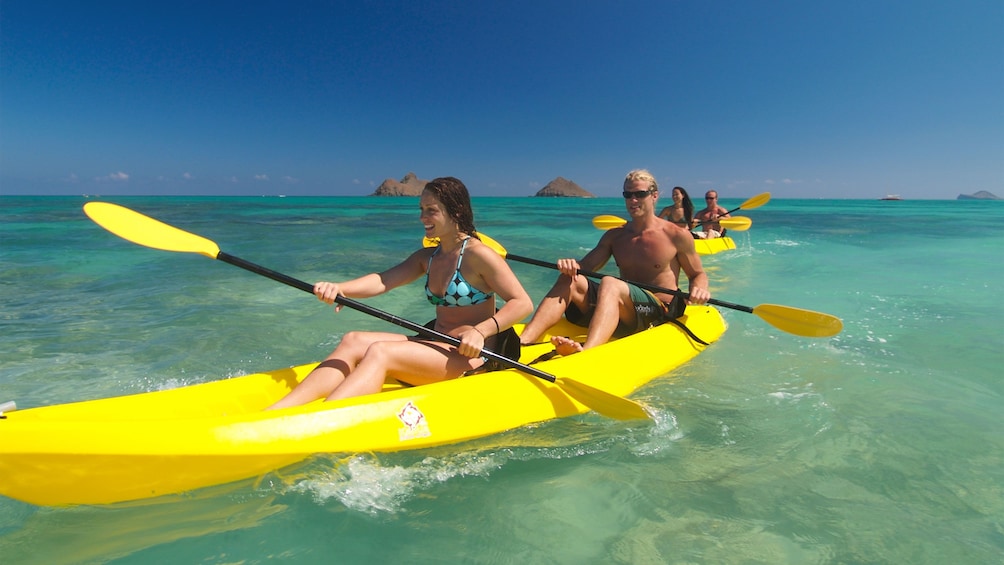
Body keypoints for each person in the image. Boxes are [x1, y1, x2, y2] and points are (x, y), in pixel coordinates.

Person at [268, 177, 533, 409]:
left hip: (467, 358)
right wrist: (340, 289)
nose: (422, 218)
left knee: (381, 352)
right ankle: (280, 411)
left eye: (431, 210)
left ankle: (322, 418)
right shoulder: (428, 257)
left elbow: (522, 303)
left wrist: (480, 331)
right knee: (353, 339)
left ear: (457, 211)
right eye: (421, 210)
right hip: (435, 344)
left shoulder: (479, 255)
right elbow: (383, 281)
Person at [519, 169, 711, 357]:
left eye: (639, 194)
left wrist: (700, 289)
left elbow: (697, 274)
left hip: (657, 311)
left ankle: (587, 352)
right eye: (628, 194)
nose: (633, 200)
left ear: (654, 196)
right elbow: (584, 268)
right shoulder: (615, 236)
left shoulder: (676, 235)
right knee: (570, 279)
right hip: (623, 307)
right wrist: (571, 265)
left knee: (610, 282)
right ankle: (523, 343)